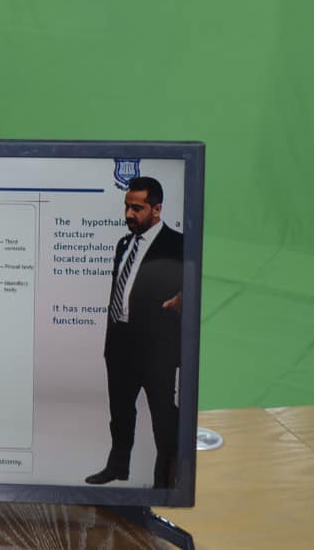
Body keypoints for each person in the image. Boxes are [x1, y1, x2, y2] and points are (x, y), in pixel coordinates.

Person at [87, 176, 183, 489]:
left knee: (163, 416)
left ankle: (165, 480)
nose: (129, 214)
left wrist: (183, 298)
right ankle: (117, 467)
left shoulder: (178, 244)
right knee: (120, 413)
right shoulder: (124, 244)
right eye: (127, 206)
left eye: (137, 208)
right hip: (120, 343)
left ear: (157, 209)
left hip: (156, 347)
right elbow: (120, 288)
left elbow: (192, 290)